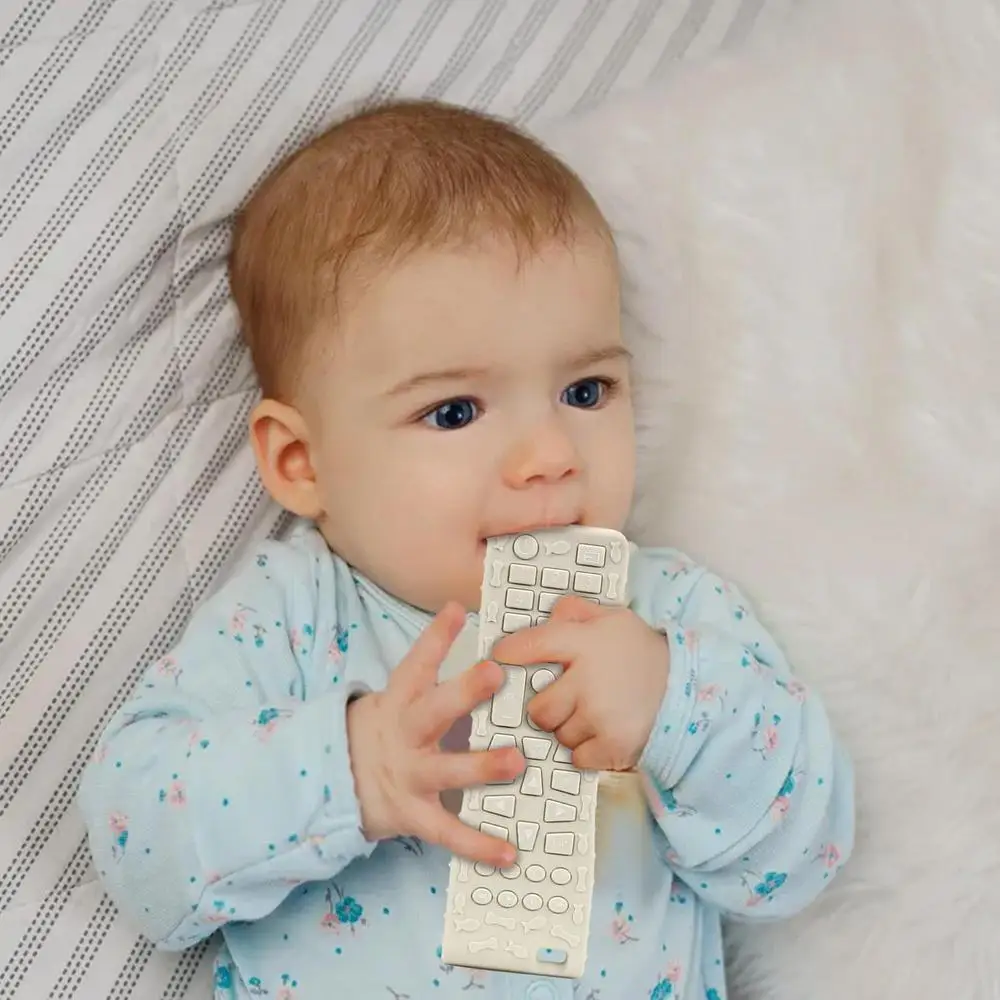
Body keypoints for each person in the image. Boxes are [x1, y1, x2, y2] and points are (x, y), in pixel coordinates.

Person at [78, 100, 853, 1000]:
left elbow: (800, 862)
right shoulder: (287, 621)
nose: (551, 454)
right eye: (454, 411)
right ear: (302, 464)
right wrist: (350, 768)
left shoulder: (665, 614)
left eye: (586, 391)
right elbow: (140, 850)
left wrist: (673, 708)